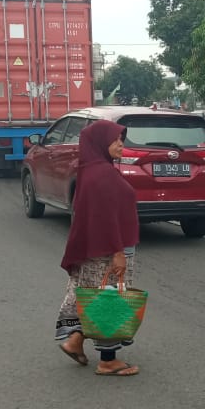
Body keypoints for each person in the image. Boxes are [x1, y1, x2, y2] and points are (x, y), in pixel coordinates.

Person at [54, 119, 141, 376]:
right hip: (109, 250)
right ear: (101, 142)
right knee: (110, 300)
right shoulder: (102, 174)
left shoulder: (92, 169)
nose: (121, 144)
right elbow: (106, 218)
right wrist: (118, 252)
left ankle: (75, 341)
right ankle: (108, 360)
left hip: (98, 249)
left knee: (96, 295)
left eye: (122, 139)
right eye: (115, 139)